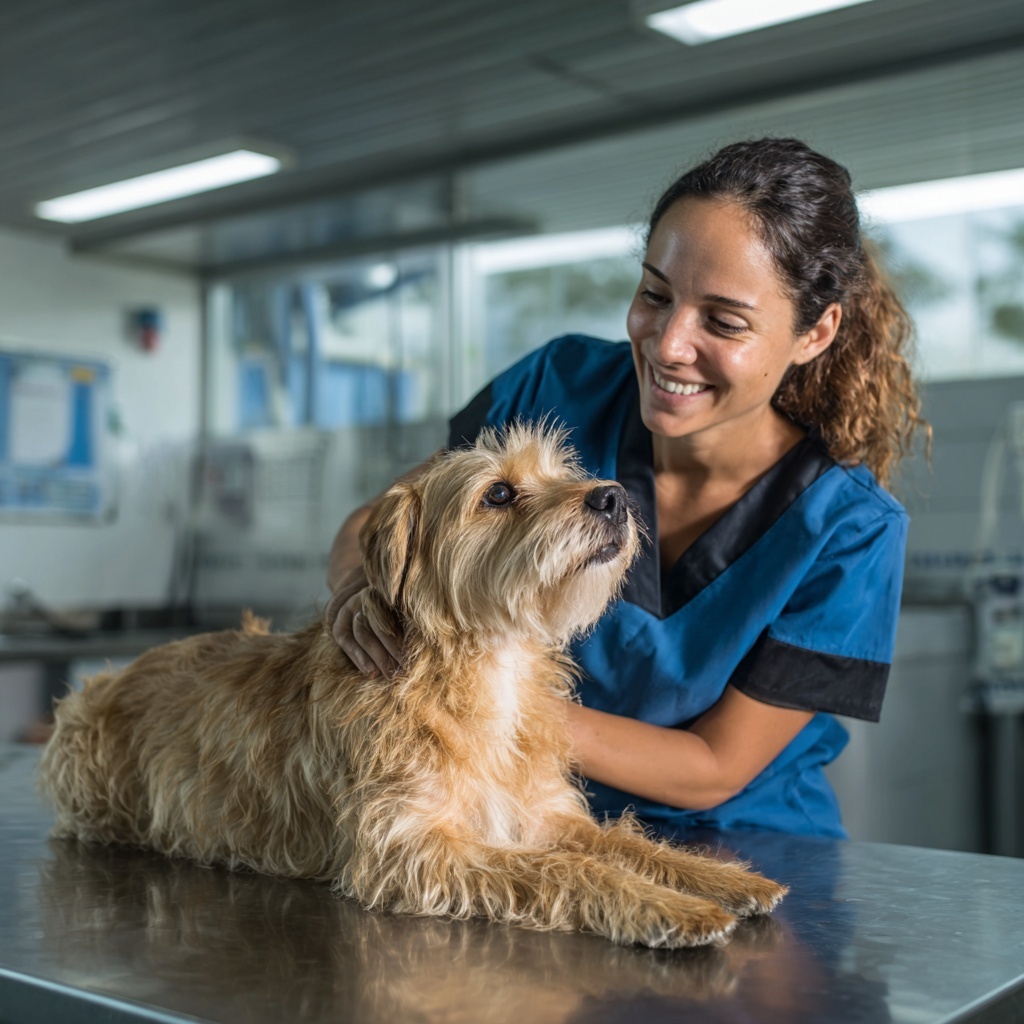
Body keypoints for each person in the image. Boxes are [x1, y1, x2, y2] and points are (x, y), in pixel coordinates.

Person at [325, 137, 927, 839]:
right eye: (654, 294)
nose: (669, 344)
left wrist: (482, 694)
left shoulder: (851, 530)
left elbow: (712, 766)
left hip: (748, 849)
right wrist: (353, 590)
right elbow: (380, 524)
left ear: (815, 333)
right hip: (520, 826)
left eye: (724, 322)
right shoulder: (558, 385)